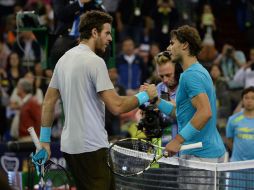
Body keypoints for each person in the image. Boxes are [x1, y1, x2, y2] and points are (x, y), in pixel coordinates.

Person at [33, 10, 157, 190]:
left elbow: (49, 101)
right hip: (91, 147)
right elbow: (116, 106)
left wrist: (44, 141)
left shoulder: (63, 60)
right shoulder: (95, 62)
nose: (110, 39)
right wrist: (146, 95)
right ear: (94, 32)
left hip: (70, 148)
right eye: (107, 33)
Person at [149, 25, 226, 189]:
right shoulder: (198, 71)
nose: (169, 48)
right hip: (207, 154)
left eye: (172, 43)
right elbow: (181, 112)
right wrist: (156, 100)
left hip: (200, 158)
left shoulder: (190, 75)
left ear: (184, 45)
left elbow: (205, 112)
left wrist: (177, 140)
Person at [226, 86, 254, 189]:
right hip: (237, 166)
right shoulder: (233, 120)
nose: (249, 101)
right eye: (246, 97)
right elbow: (229, 141)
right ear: (242, 100)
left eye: (252, 98)